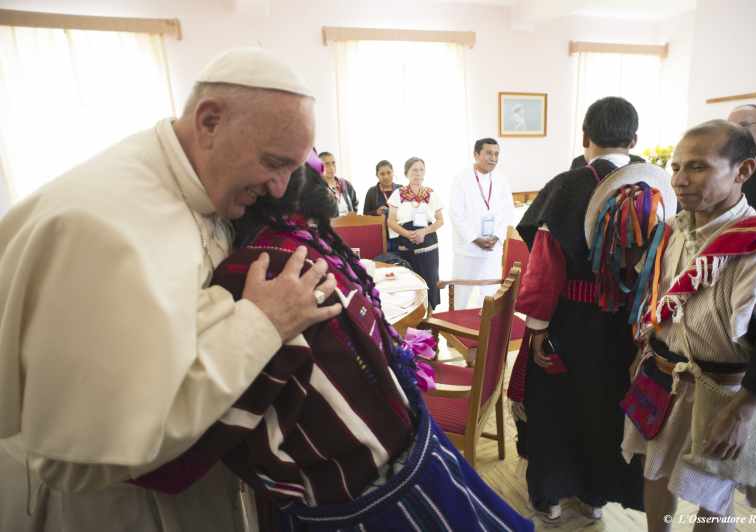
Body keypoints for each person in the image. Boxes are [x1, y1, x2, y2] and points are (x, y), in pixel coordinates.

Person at [0, 47, 343, 532]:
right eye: (273, 163)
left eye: (293, 167)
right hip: (111, 512)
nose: (279, 189)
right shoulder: (97, 228)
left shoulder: (199, 186)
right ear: (209, 122)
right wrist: (260, 324)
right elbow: (78, 461)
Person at [133, 163, 534, 532]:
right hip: (412, 458)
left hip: (365, 496)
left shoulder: (262, 268)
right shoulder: (309, 250)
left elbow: (182, 451)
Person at [621, 119, 756, 532]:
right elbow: (660, 300)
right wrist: (645, 354)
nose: (680, 180)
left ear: (743, 171)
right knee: (655, 470)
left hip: (725, 392)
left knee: (713, 494)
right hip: (662, 375)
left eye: (698, 167)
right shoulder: (673, 231)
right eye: (677, 167)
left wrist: (744, 412)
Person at [508, 96, 648, 522]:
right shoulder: (652, 189)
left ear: (585, 137)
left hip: (569, 323)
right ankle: (595, 497)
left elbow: (545, 267)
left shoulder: (568, 186)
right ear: (635, 139)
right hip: (626, 327)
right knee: (608, 408)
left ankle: (551, 498)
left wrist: (535, 329)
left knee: (555, 407)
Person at [449, 138, 515, 309]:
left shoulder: (502, 180)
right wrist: (475, 238)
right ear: (476, 155)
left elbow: (508, 212)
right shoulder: (461, 178)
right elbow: (456, 214)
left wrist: (497, 236)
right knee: (461, 298)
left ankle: (486, 334)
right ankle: (456, 331)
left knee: (490, 297)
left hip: (491, 250)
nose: (493, 158)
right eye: (488, 153)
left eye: (496, 154)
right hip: (467, 250)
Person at [387, 157, 444, 310]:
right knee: (410, 282)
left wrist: (424, 231)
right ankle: (412, 318)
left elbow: (440, 221)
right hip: (405, 242)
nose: (418, 173)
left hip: (428, 243)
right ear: (407, 173)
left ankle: (430, 317)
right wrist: (407, 234)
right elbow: (391, 221)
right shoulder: (398, 194)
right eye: (414, 170)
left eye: (421, 170)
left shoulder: (431, 194)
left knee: (429, 280)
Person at [319, 151, 358, 216]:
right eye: (327, 164)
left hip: (347, 224)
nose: (331, 167)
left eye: (333, 163)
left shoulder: (345, 184)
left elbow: (355, 203)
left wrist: (352, 214)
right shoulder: (316, 188)